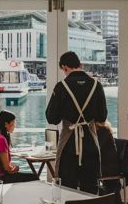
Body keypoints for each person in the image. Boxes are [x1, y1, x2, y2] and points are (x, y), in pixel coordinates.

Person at [46, 51, 107, 194]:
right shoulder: (96, 85)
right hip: (90, 144)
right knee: (91, 187)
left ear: (65, 67)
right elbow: (102, 117)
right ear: (80, 64)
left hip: (69, 144)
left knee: (67, 188)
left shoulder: (61, 86)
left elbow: (51, 118)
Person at [96, 120, 121, 200]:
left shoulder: (103, 131)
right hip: (108, 166)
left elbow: (96, 149)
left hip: (109, 168)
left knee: (84, 171)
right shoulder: (103, 130)